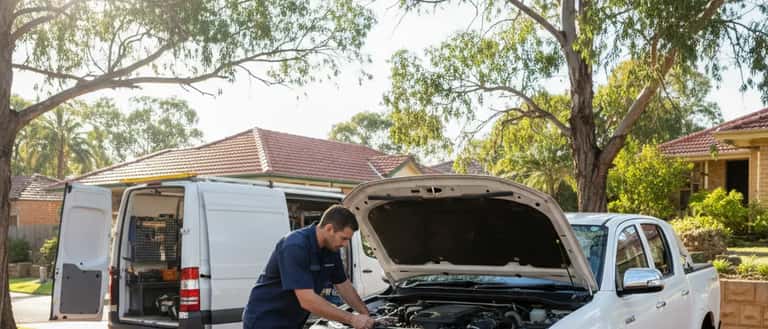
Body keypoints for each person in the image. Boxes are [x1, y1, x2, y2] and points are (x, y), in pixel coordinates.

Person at [242, 205, 375, 329]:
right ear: (329, 229)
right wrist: (352, 319)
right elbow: (307, 300)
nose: (345, 244)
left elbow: (344, 286)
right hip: (265, 321)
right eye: (343, 238)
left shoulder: (331, 250)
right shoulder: (294, 246)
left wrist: (367, 315)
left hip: (292, 321)